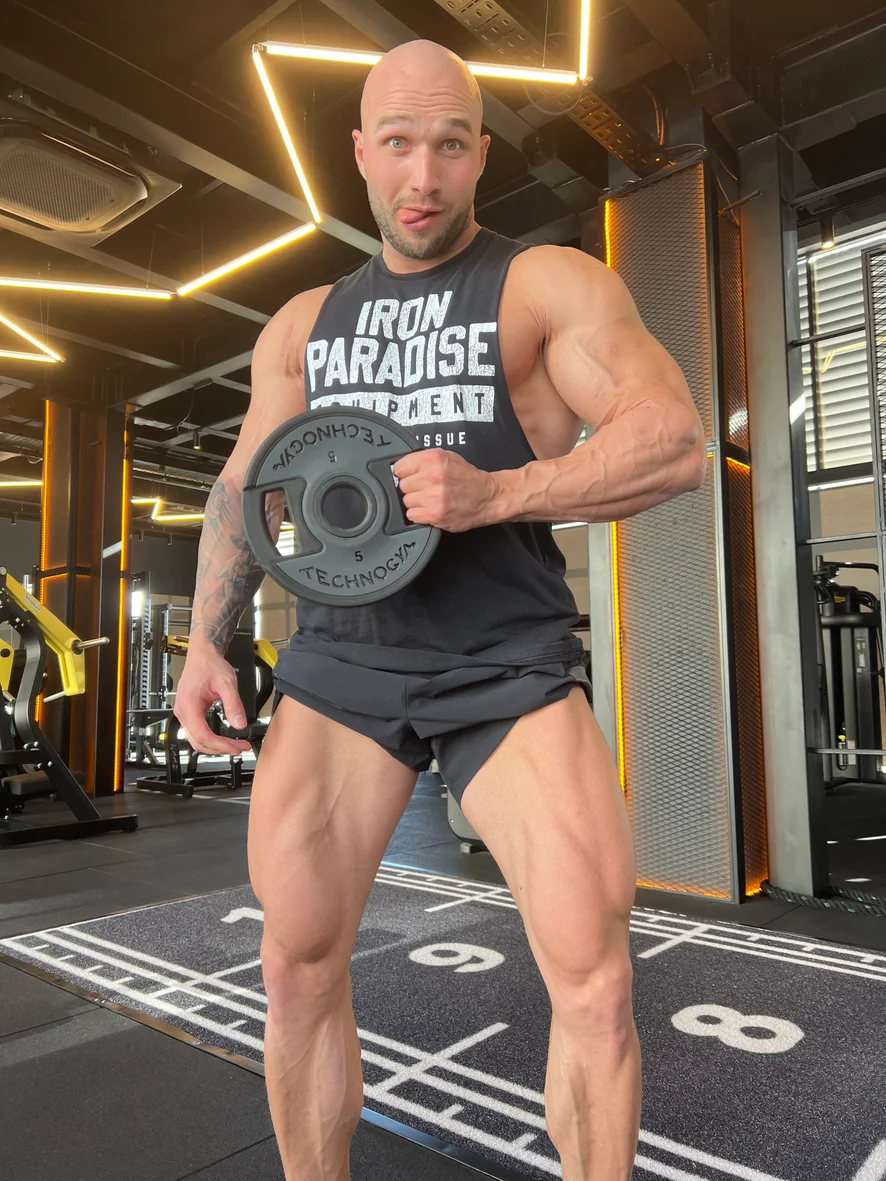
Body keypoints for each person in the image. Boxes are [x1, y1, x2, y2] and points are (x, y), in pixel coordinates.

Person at [174, 38, 704, 1181]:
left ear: (481, 155)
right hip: (341, 662)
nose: (424, 175)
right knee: (294, 962)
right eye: (400, 143)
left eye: (451, 145)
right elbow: (244, 485)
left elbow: (672, 441)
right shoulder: (304, 322)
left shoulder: (543, 285)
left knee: (595, 981)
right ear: (360, 154)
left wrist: (499, 492)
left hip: (504, 660)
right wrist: (205, 641)